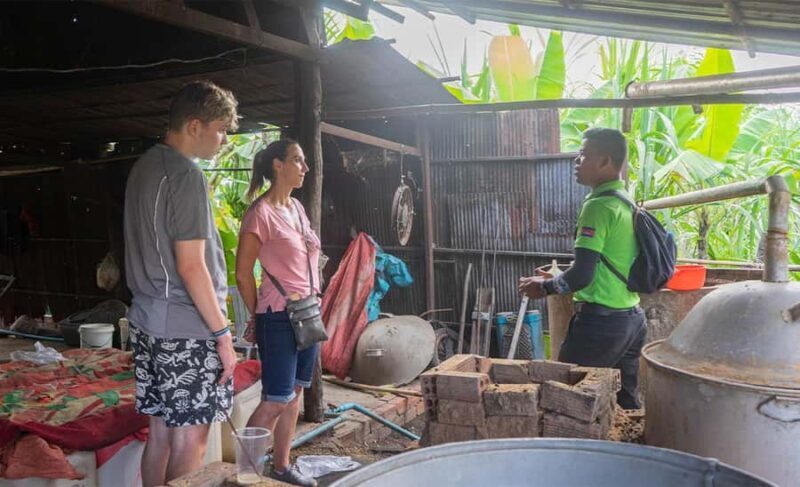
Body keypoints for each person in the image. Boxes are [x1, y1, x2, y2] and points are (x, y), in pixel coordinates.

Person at [124, 81, 239, 486]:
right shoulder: (185, 175)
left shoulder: (144, 167)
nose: (224, 140)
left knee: (160, 436)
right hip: (185, 329)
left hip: (147, 321)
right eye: (221, 129)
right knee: (191, 439)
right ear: (195, 125)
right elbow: (192, 267)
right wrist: (223, 336)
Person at [518, 127, 645, 409]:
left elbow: (583, 275)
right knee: (625, 405)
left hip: (601, 325)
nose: (577, 162)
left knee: (566, 400)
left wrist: (546, 287)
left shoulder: (598, 207)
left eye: (584, 155)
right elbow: (605, 264)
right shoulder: (625, 202)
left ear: (605, 161)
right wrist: (557, 276)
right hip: (632, 319)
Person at [236, 139, 320, 487]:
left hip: (310, 311)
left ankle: (282, 468)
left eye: (303, 161)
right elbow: (243, 273)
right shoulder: (261, 214)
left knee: (296, 392)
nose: (305, 167)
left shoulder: (297, 209)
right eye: (298, 161)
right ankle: (246, 474)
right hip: (279, 315)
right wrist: (256, 315)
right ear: (277, 165)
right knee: (274, 400)